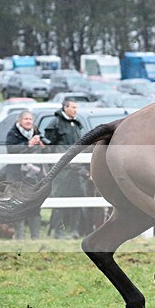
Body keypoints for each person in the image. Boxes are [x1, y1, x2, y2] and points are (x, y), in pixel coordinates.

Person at [45, 98, 86, 239]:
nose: (76, 110)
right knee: (60, 200)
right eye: (73, 107)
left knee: (79, 198)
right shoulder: (55, 124)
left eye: (76, 108)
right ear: (65, 108)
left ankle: (74, 231)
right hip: (62, 169)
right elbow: (50, 147)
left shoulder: (76, 123)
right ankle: (58, 232)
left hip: (76, 167)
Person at [5, 111, 46, 239]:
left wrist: (44, 146)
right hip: (17, 176)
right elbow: (11, 150)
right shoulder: (12, 134)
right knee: (18, 206)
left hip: (34, 176)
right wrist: (28, 144)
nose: (29, 121)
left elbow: (46, 150)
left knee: (35, 206)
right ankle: (19, 237)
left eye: (30, 119)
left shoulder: (36, 132)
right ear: (19, 121)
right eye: (26, 119)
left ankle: (35, 237)